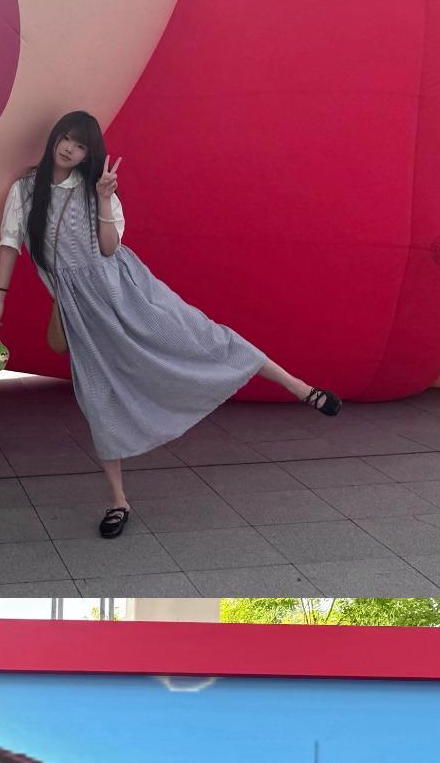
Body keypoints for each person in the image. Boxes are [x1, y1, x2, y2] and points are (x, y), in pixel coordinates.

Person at [19, 110, 333, 536]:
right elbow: (14, 242)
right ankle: (118, 501)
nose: (69, 148)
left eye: (80, 144)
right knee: (98, 399)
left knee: (205, 338)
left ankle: (300, 387)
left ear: (89, 154)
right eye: (66, 139)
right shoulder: (28, 190)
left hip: (129, 293)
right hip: (84, 313)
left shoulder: (96, 191)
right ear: (54, 137)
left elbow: (109, 249)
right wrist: (2, 295)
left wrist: (105, 198)